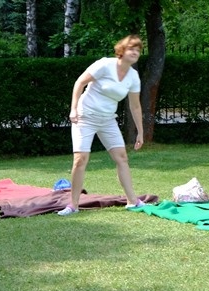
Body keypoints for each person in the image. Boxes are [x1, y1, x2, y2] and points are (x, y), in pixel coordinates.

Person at [58, 34, 146, 216]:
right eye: (131, 49)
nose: (135, 53)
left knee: (122, 157)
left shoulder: (133, 76)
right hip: (85, 116)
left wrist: (140, 132)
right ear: (121, 50)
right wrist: (73, 109)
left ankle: (132, 201)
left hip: (107, 120)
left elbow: (135, 106)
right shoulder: (105, 65)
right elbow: (80, 82)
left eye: (138, 50)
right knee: (80, 159)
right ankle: (73, 205)